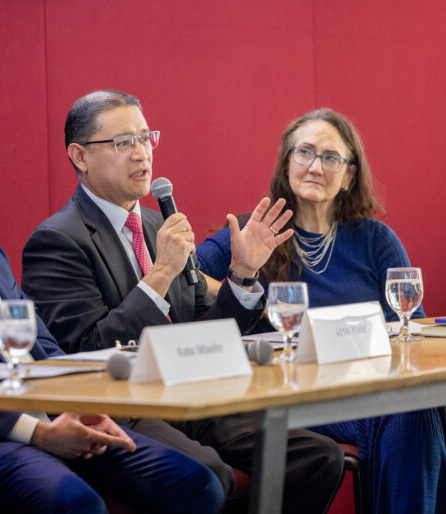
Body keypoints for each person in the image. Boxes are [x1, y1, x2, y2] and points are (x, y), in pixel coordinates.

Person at [0, 94, 226, 514]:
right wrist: (38, 432)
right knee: (76, 503)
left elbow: (42, 347)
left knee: (196, 484)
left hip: (49, 412)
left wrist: (78, 409)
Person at [21, 89, 344, 513]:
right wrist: (159, 277)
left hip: (192, 398)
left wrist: (242, 275)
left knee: (316, 457)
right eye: (123, 143)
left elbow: (205, 329)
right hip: (125, 407)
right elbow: (85, 349)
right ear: (80, 156)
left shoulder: (160, 223)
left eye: (145, 138)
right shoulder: (58, 240)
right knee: (210, 473)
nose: (141, 154)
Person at [195, 107, 444, 513]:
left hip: (364, 390)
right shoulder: (255, 231)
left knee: (416, 411)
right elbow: (182, 274)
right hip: (283, 394)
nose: (315, 166)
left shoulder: (375, 239)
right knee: (413, 416)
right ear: (287, 163)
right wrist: (240, 280)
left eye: (331, 157)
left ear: (349, 175)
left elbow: (409, 329)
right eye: (304, 152)